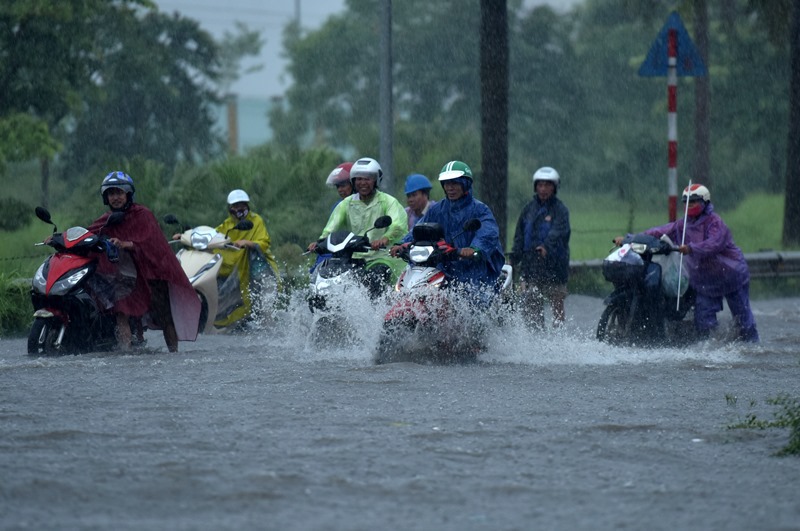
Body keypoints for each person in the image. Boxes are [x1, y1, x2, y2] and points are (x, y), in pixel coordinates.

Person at [614, 183, 759, 342]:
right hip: (706, 280)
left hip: (731, 276)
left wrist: (691, 248)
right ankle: (709, 350)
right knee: (703, 319)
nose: (689, 205)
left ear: (705, 202)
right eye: (686, 202)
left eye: (694, 201)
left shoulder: (715, 222)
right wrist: (630, 239)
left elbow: (713, 244)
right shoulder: (683, 225)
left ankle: (752, 347)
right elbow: (659, 231)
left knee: (743, 319)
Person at [88, 171, 201, 352]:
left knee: (165, 317)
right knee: (121, 311)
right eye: (111, 193)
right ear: (105, 197)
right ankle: (126, 352)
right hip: (127, 276)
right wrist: (61, 238)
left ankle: (174, 354)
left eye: (119, 192)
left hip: (152, 274)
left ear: (128, 194)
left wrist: (126, 244)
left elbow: (153, 244)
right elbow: (88, 233)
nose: (115, 197)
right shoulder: (107, 219)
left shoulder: (143, 215)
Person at [391, 160, 505, 303]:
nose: (450, 188)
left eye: (455, 183)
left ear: (466, 184)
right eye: (446, 183)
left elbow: (488, 232)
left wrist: (473, 249)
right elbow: (419, 229)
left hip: (475, 271)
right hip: (445, 267)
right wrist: (401, 244)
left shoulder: (480, 210)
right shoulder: (437, 209)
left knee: (473, 305)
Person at [307, 157, 408, 297]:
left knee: (376, 278)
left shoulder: (388, 201)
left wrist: (384, 239)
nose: (362, 183)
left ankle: (377, 313)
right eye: (358, 179)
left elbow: (398, 224)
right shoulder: (346, 204)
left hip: (382, 257)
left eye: (367, 178)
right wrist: (319, 242)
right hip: (353, 258)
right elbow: (331, 228)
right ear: (353, 181)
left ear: (376, 180)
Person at [510, 166, 571, 329]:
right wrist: (514, 257)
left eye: (547, 185)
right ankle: (536, 335)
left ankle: (559, 337)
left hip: (554, 266)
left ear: (554, 187)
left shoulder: (560, 210)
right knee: (531, 303)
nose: (543, 189)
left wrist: (546, 247)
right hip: (531, 265)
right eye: (540, 185)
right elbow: (520, 235)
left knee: (557, 302)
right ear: (535, 187)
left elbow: (559, 232)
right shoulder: (528, 209)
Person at [213, 189, 281, 327]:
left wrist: (248, 243)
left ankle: (270, 335)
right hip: (239, 271)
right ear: (230, 208)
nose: (240, 208)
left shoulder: (256, 220)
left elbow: (264, 241)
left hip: (259, 268)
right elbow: (212, 236)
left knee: (266, 303)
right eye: (236, 205)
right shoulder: (227, 225)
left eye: (242, 205)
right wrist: (187, 235)